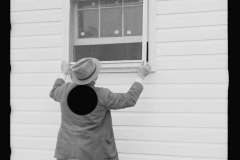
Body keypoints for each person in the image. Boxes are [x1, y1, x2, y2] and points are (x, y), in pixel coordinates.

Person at [49, 57, 151, 160]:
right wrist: (141, 76)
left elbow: (53, 91)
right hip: (91, 154)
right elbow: (129, 99)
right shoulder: (102, 95)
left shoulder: (64, 90)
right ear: (94, 78)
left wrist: (64, 72)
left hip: (66, 151)